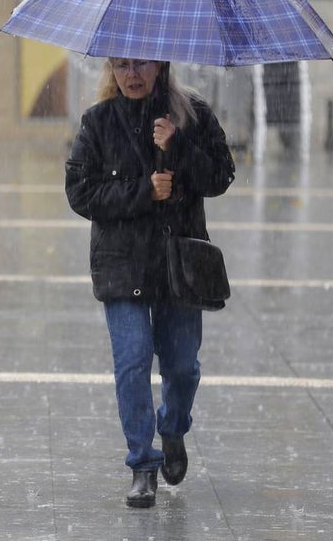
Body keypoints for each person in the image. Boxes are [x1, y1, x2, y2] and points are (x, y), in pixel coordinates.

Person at [65, 57, 235, 508]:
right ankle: (142, 464)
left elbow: (221, 176)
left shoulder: (192, 114)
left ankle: (173, 428)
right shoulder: (98, 123)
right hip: (123, 264)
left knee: (182, 366)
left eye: (140, 63)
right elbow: (79, 192)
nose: (131, 74)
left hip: (179, 263)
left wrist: (178, 147)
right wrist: (144, 191)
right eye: (121, 65)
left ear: (159, 65)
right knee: (133, 361)